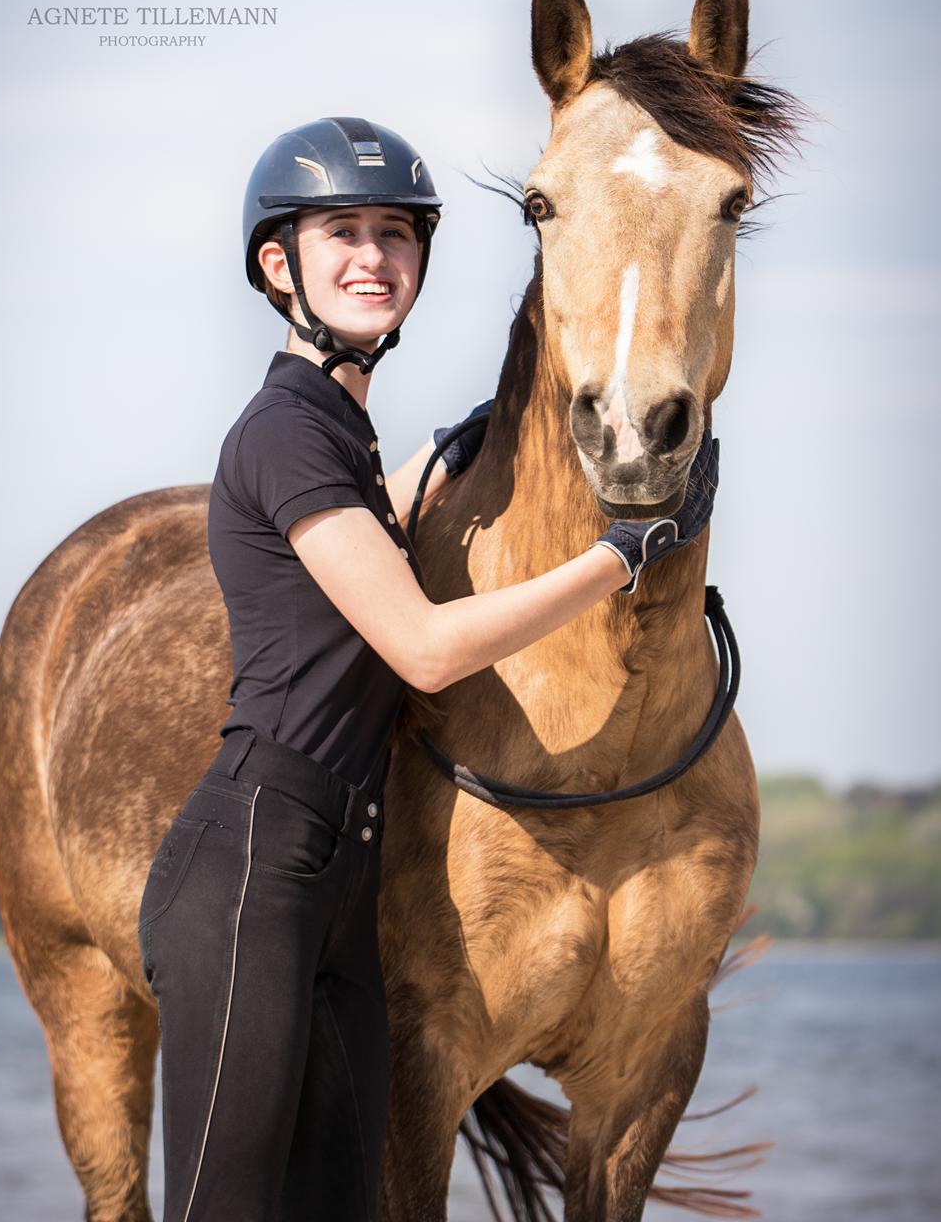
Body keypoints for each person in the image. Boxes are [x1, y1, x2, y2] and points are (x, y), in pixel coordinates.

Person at [137, 116, 719, 1222]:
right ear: (279, 265)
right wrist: (617, 555)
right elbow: (421, 643)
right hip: (250, 870)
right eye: (341, 233)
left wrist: (456, 450)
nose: (373, 257)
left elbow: (367, 535)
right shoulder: (283, 434)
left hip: (342, 881)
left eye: (396, 235)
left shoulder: (343, 437)